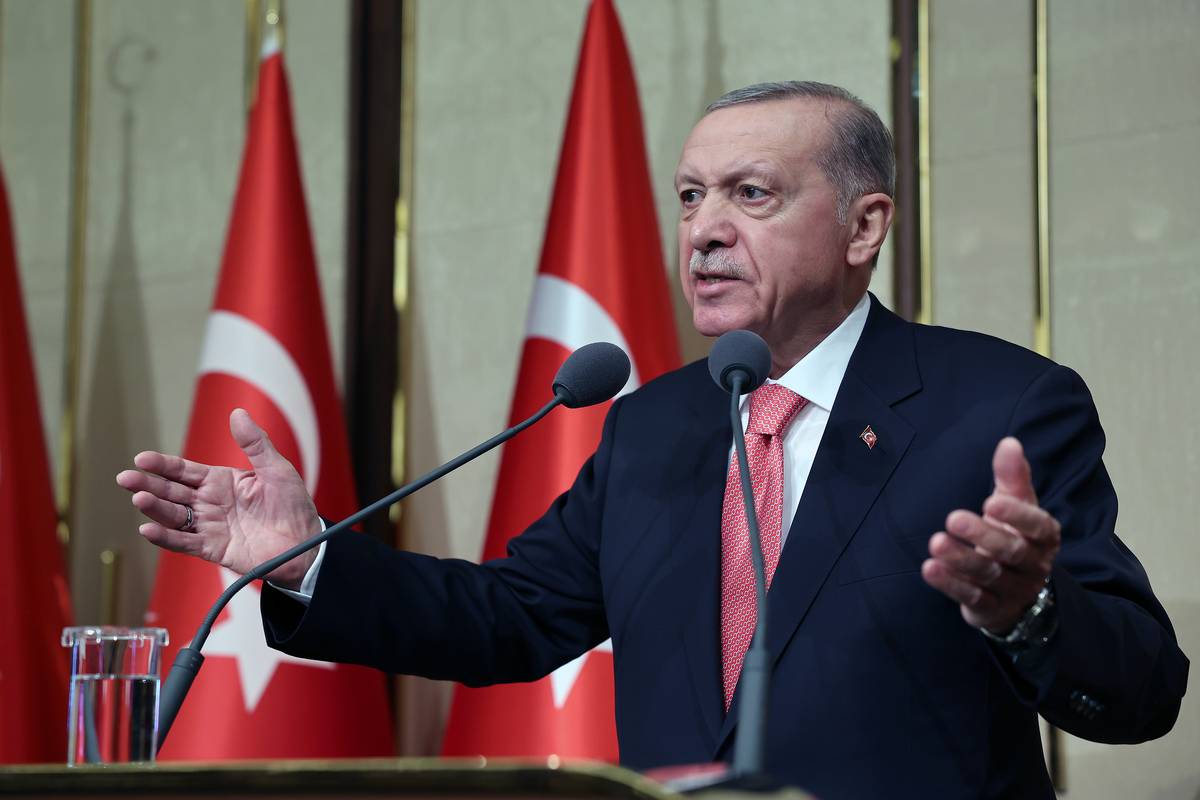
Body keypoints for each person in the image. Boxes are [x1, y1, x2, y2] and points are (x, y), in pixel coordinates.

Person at [118, 81, 1188, 799]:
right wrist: (309, 561)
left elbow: (1143, 690)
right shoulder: (653, 423)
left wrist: (1029, 608)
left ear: (865, 226)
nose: (706, 228)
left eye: (751, 194)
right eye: (689, 197)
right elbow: (512, 616)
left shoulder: (1000, 403)